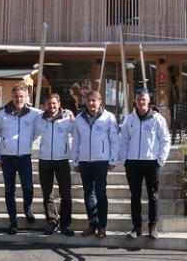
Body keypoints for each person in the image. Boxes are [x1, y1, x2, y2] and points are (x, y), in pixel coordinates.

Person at [0, 84, 42, 235]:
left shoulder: (34, 113)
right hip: (7, 158)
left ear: (26, 98)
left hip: (25, 157)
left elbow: (52, 112)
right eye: (16, 96)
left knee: (28, 187)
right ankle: (13, 221)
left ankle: (28, 209)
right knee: (9, 190)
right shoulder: (2, 115)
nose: (18, 99)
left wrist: (67, 112)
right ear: (11, 97)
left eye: (21, 97)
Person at [120, 89, 172, 240]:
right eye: (138, 99)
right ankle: (136, 228)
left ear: (149, 100)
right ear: (135, 100)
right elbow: (123, 140)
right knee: (135, 196)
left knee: (153, 196)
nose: (141, 102)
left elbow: (165, 140)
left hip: (151, 163)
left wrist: (160, 160)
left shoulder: (157, 119)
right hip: (133, 163)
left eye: (144, 99)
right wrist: (125, 159)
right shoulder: (129, 120)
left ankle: (152, 227)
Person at [72, 90, 120, 239]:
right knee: (88, 194)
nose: (91, 104)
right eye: (89, 101)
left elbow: (115, 140)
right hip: (85, 161)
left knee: (100, 193)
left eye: (94, 101)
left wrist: (113, 159)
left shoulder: (108, 118)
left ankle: (102, 226)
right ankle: (92, 224)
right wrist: (75, 160)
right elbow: (75, 141)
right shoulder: (79, 119)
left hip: (101, 161)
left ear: (100, 102)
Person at [34, 93, 75, 236]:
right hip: (45, 161)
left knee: (66, 194)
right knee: (47, 194)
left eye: (54, 103)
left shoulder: (67, 118)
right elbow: (31, 134)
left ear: (59, 103)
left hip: (62, 160)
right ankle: (52, 222)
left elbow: (77, 134)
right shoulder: (39, 119)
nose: (51, 106)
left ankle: (66, 224)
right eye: (48, 104)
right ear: (45, 105)